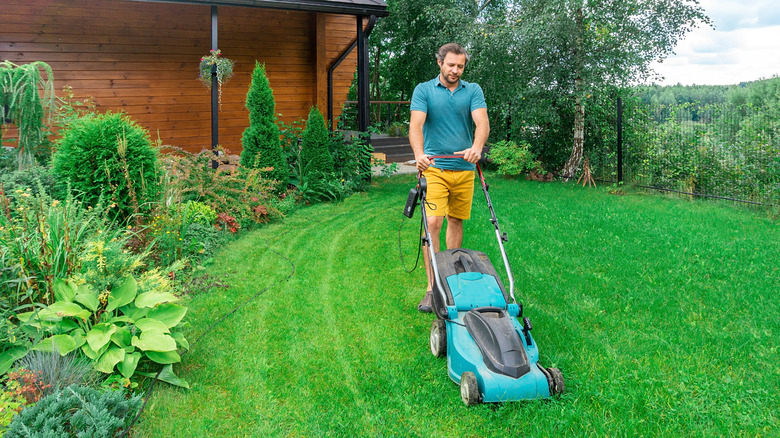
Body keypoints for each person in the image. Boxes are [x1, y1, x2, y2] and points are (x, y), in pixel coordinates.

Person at [409, 42, 490, 313]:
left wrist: (477, 148)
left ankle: (451, 280)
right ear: (440, 63)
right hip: (435, 168)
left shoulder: (473, 91)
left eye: (460, 66)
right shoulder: (424, 90)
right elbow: (416, 125)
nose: (455, 70)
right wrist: (419, 154)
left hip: (464, 170)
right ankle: (432, 289)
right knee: (433, 222)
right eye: (451, 65)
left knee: (455, 220)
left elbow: (482, 123)